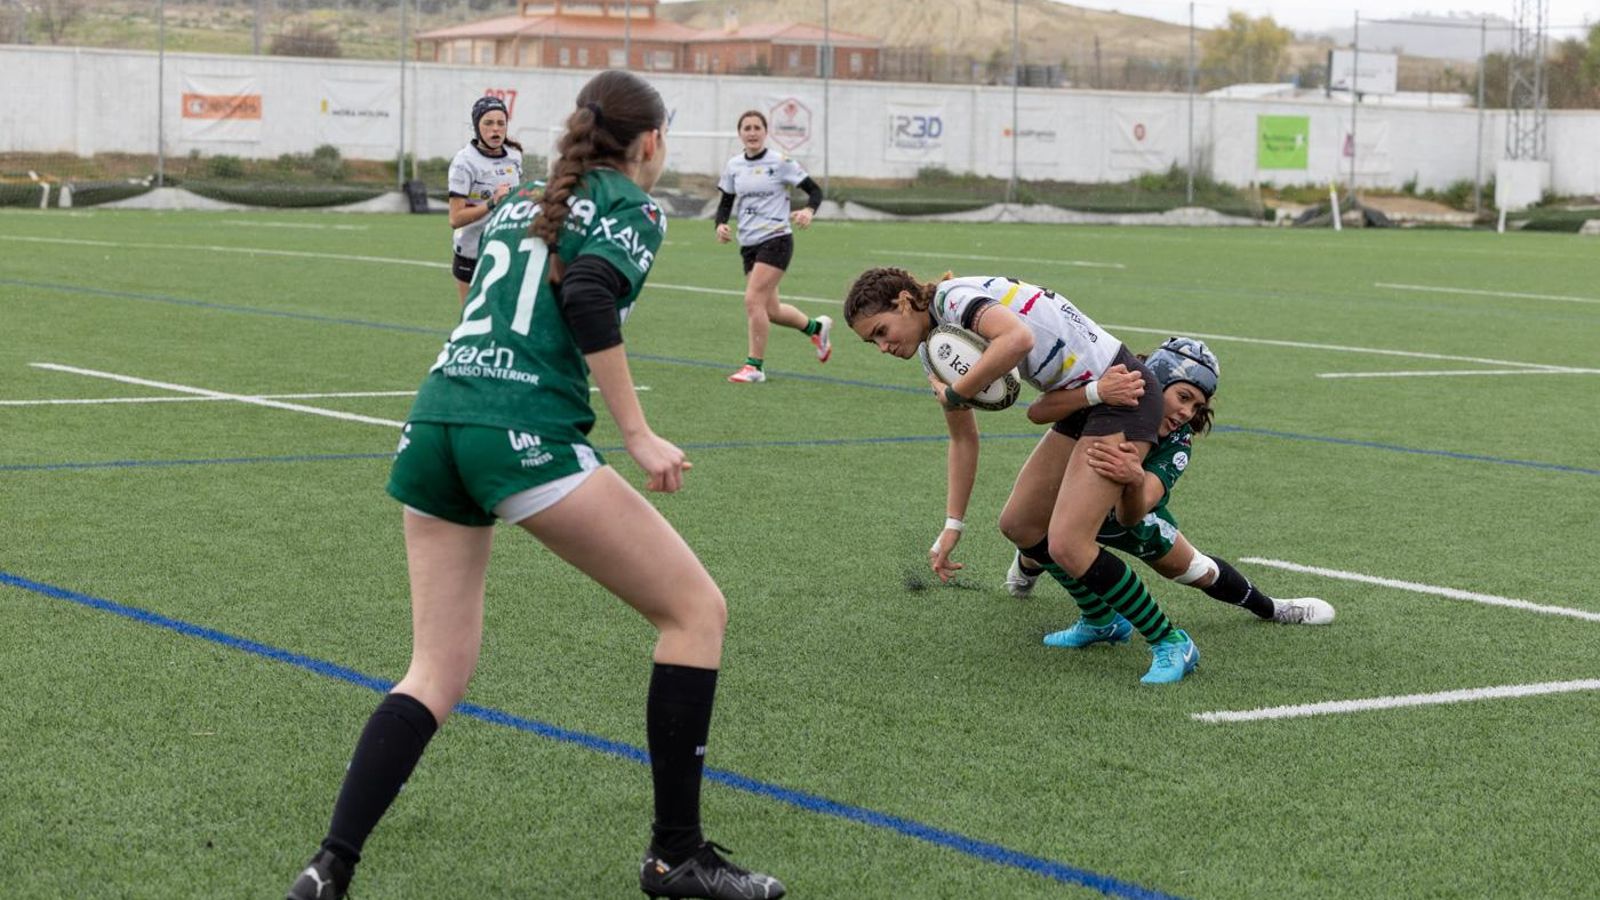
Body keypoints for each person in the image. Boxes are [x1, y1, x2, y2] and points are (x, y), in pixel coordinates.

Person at [286, 71, 784, 900]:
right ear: (650, 142)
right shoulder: (632, 206)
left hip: (436, 418)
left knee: (435, 672)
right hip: (513, 435)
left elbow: (487, 283)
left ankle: (328, 867)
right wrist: (636, 433)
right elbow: (587, 294)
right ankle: (675, 855)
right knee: (695, 612)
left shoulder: (519, 199)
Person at [844, 269, 1200, 685]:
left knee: (1069, 543)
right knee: (1020, 524)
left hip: (1123, 392)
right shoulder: (933, 351)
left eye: (881, 331)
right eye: (873, 342)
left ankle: (1171, 640)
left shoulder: (952, 300)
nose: (883, 346)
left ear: (904, 301)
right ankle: (1101, 619)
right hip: (1081, 400)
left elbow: (1017, 339)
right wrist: (952, 524)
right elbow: (963, 440)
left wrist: (957, 392)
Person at [1004, 337, 1337, 636]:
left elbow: (1131, 516)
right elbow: (1038, 411)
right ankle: (1036, 568)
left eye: (1196, 407)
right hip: (1072, 511)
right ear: (1156, 378)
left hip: (1129, 519)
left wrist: (1133, 478)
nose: (1186, 413)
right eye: (1183, 396)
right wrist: (1092, 393)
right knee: (1032, 534)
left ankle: (1271, 607)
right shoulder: (1113, 388)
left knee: (1198, 571)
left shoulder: (1178, 441)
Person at [715, 110, 831, 384]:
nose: (752, 132)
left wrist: (809, 211)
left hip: (777, 238)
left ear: (765, 132)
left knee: (752, 300)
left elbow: (815, 191)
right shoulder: (733, 166)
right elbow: (725, 203)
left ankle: (754, 366)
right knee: (770, 310)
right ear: (740, 133)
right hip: (749, 244)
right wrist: (720, 225)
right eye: (747, 128)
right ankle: (816, 327)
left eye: (757, 127)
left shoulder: (780, 162)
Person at [447, 95, 525, 303]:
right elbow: (455, 219)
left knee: (505, 322)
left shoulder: (514, 156)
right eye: (488, 123)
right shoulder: (464, 162)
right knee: (471, 325)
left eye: (501, 123)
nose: (496, 129)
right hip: (471, 255)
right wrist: (491, 203)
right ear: (476, 126)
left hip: (507, 251)